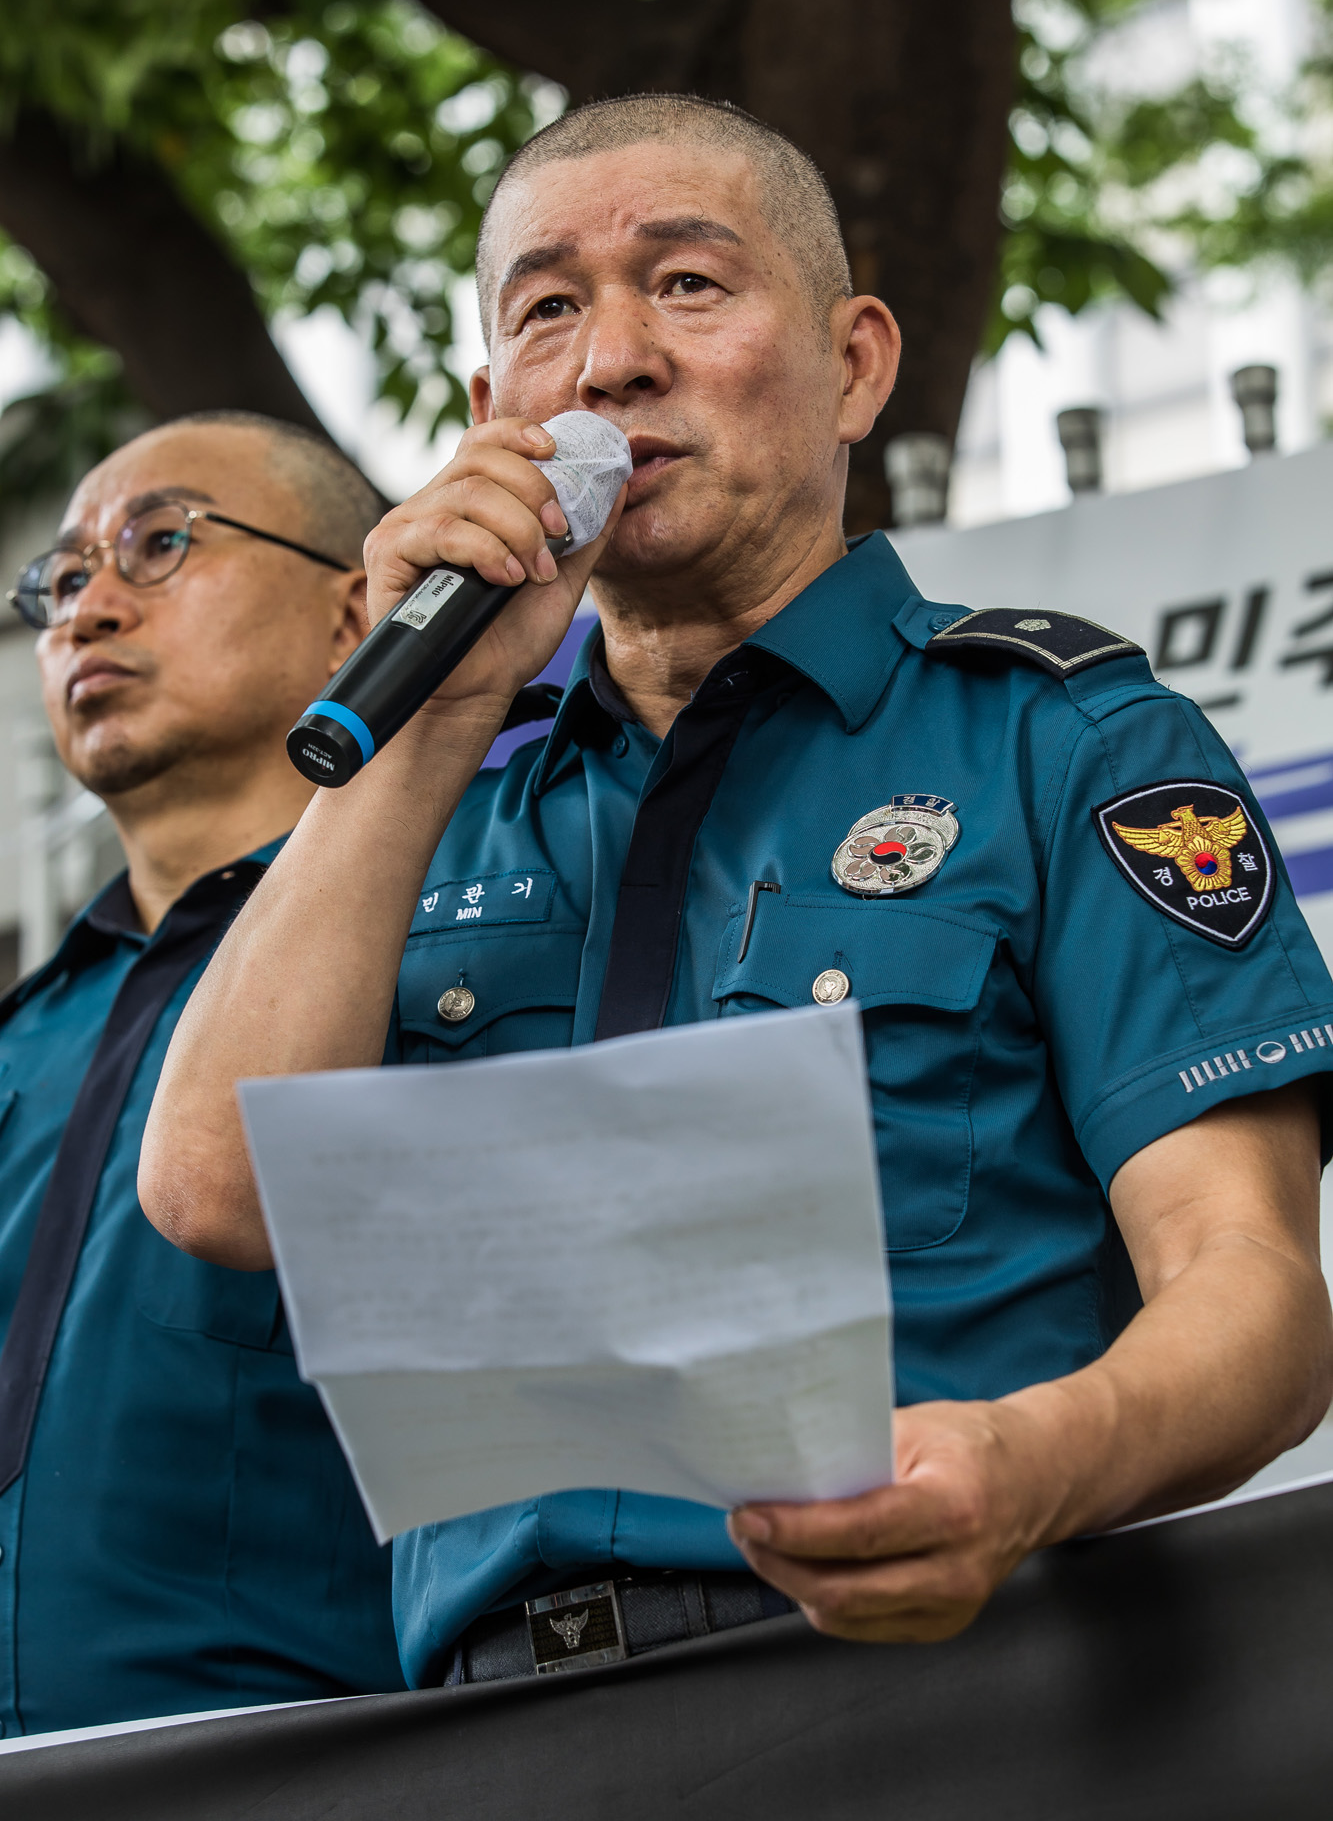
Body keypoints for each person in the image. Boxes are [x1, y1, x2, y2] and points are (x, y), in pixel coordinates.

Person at [141, 99, 1333, 1696]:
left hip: (939, 1677)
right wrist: (428, 726)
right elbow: (215, 1196)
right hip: (493, 1723)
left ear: (853, 365)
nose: (611, 361)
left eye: (687, 286)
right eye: (547, 309)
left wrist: (1029, 1463)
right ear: (493, 405)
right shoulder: (430, 803)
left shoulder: (1059, 741)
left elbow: (1251, 1286)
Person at [0, 411, 405, 1736]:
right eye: (61, 581)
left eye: (158, 544)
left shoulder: (447, 960)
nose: (87, 611)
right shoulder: (29, 1033)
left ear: (355, 616)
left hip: (312, 1758)